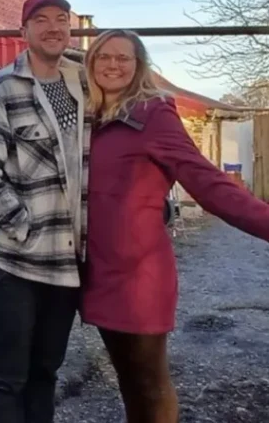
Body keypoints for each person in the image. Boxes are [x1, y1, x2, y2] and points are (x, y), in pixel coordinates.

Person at [81, 30, 269, 423]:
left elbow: (207, 182)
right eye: (104, 57)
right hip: (97, 272)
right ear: (91, 62)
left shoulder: (153, 115)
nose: (112, 65)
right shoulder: (89, 119)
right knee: (129, 381)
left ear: (138, 67)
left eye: (123, 59)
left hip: (139, 276)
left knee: (150, 383)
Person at [0, 0, 89, 423]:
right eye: (41, 19)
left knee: (46, 372)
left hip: (69, 263)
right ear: (24, 31)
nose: (54, 27)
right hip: (16, 262)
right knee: (9, 376)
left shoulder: (85, 86)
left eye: (62, 19)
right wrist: (25, 229)